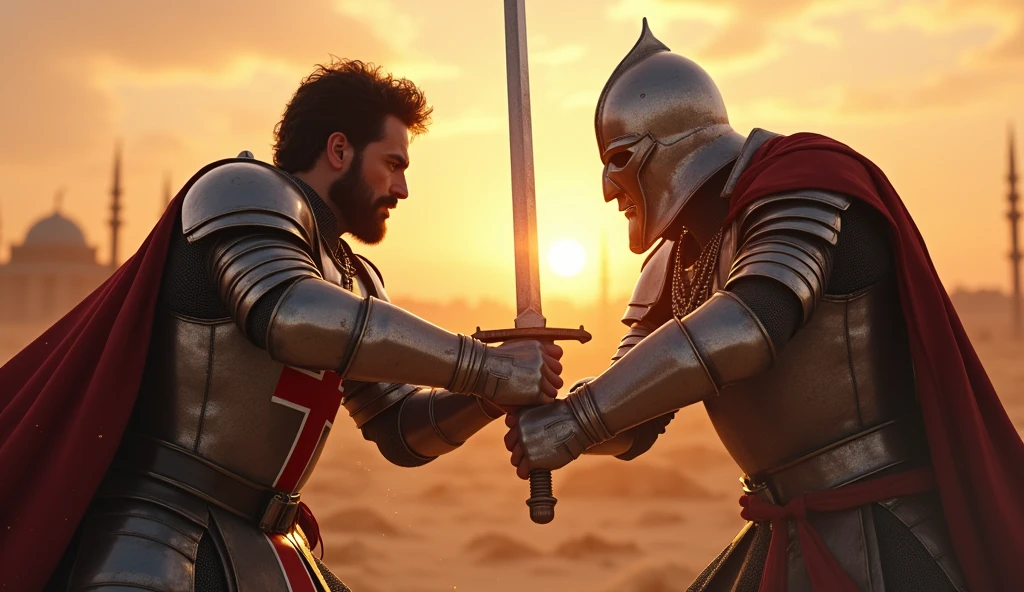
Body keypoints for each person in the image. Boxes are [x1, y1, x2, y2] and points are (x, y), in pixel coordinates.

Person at [0, 59, 563, 592]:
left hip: (270, 543)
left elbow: (400, 430)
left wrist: (492, 397)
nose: (402, 190)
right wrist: (485, 369)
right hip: (157, 541)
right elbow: (288, 315)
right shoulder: (242, 192)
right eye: (393, 164)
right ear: (339, 149)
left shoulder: (354, 277)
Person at [505, 20, 1024, 591]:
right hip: (781, 528)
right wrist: (551, 409)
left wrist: (575, 424)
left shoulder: (801, 186)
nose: (607, 187)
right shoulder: (677, 259)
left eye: (621, 158)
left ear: (676, 144)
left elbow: (753, 323)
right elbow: (638, 422)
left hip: (886, 528)